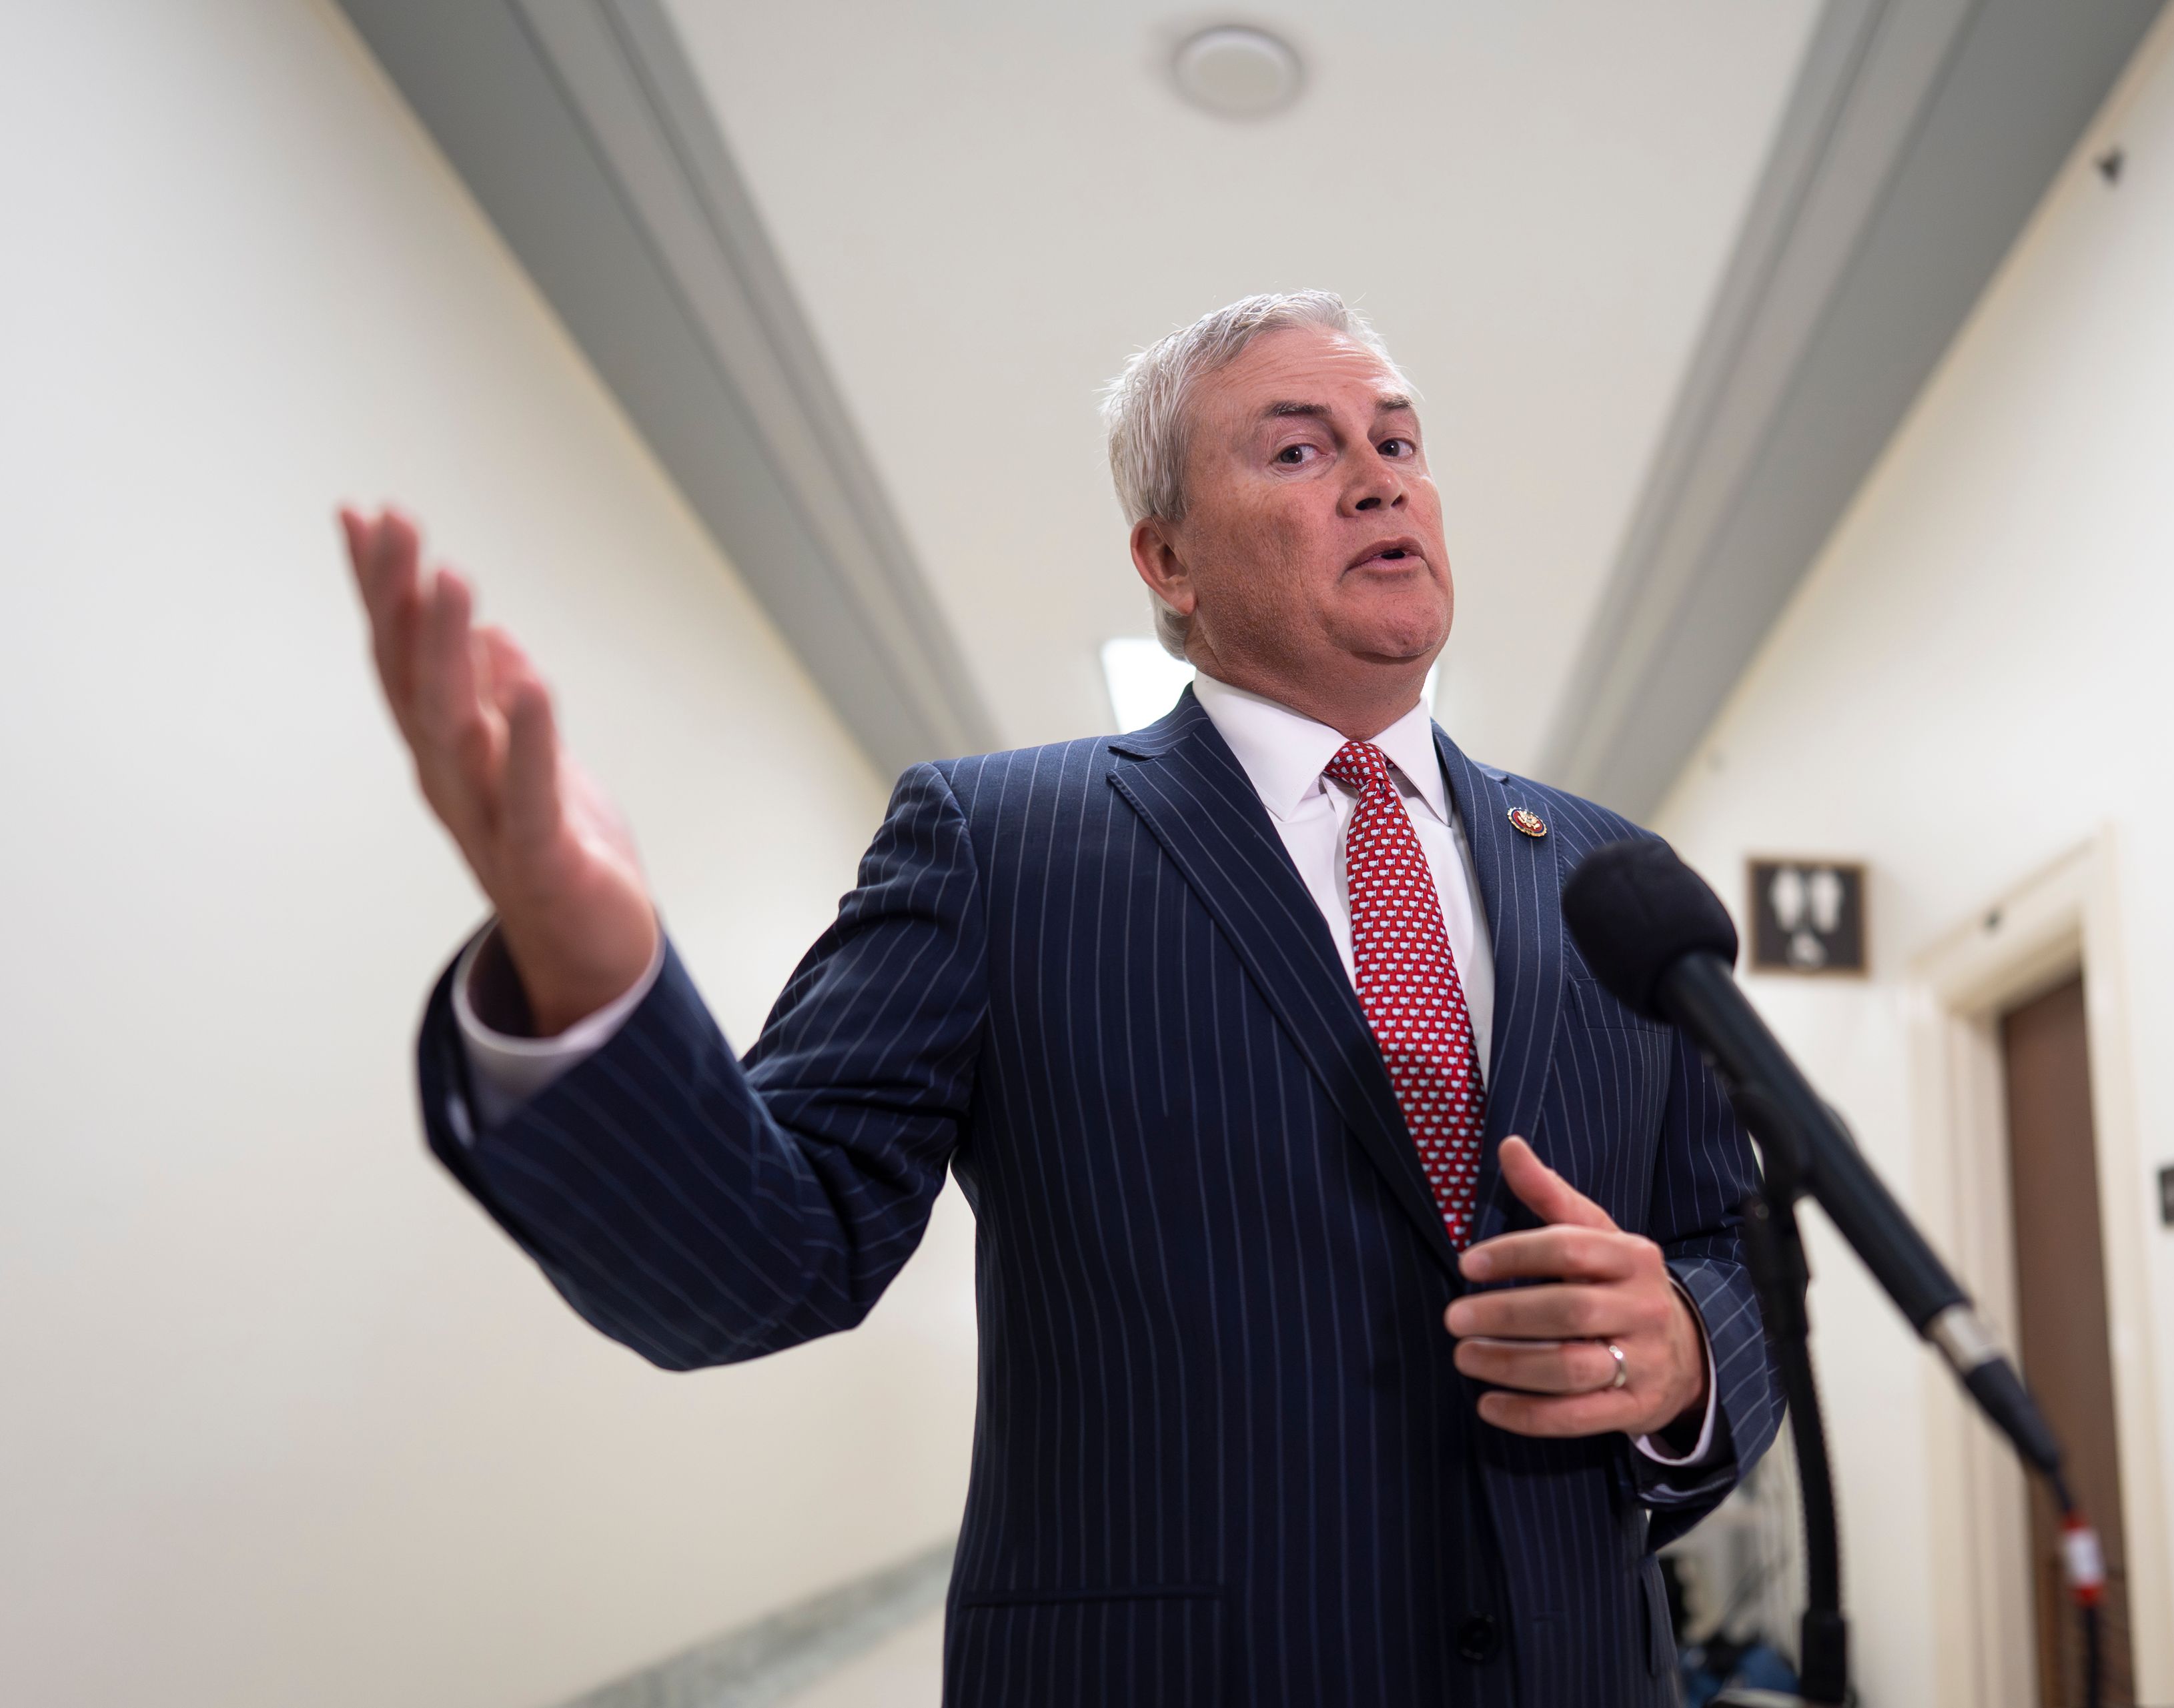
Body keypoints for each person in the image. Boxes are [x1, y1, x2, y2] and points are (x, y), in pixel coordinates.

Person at [342, 291, 1778, 1707]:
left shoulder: (1611, 878)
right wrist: (593, 984)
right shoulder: (1002, 845)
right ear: (1168, 559)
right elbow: (771, 1254)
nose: (1375, 478)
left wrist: (1685, 1357)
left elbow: (1729, 1248)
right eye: (1297, 450)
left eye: (1398, 442)